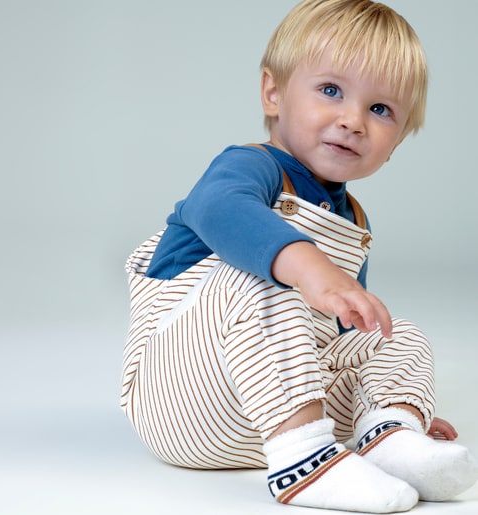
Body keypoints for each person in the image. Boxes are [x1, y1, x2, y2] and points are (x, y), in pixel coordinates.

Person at [121, 0, 477, 512]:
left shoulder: (352, 221)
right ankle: (305, 467)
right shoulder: (250, 168)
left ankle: (390, 436)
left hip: (272, 409)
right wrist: (310, 267)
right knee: (262, 276)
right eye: (331, 90)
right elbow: (217, 208)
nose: (353, 120)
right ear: (273, 93)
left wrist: (383, 396)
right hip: (181, 399)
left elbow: (339, 337)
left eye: (380, 110)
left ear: (395, 141)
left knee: (389, 331)